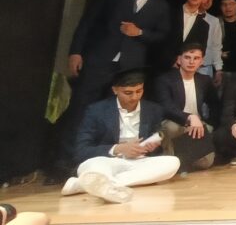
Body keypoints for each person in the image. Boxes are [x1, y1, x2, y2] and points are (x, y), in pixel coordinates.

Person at [55, 0, 171, 181]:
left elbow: (162, 35)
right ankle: (65, 163)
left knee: (117, 114)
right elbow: (88, 21)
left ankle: (111, 161)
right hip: (99, 59)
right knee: (80, 109)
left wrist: (140, 33)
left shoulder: (161, 5)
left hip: (128, 66)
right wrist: (76, 51)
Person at [61, 69, 180, 203]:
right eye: (128, 93)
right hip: (106, 160)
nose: (134, 97)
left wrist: (151, 146)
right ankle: (102, 182)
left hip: (138, 162)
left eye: (139, 91)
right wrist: (118, 149)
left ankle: (87, 185)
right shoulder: (96, 111)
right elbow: (81, 151)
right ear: (115, 90)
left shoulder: (153, 109)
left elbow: (156, 145)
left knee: (172, 163)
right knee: (93, 166)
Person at [154, 44, 217, 171]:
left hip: (197, 125)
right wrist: (189, 118)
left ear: (201, 61)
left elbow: (215, 104)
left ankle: (182, 161)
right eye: (187, 57)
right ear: (179, 60)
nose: (191, 62)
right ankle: (169, 160)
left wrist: (209, 123)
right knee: (171, 127)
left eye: (196, 58)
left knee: (206, 163)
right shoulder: (165, 80)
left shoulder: (204, 80)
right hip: (175, 122)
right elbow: (166, 107)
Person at [157, 0, 211, 69]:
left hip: (185, 69)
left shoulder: (204, 25)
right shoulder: (169, 13)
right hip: (159, 64)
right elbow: (157, 37)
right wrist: (172, 60)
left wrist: (184, 62)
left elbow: (200, 50)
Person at [198, 0, 223, 81]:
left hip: (205, 68)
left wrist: (218, 69)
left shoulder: (214, 20)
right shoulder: (184, 16)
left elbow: (216, 46)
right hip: (184, 65)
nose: (208, 1)